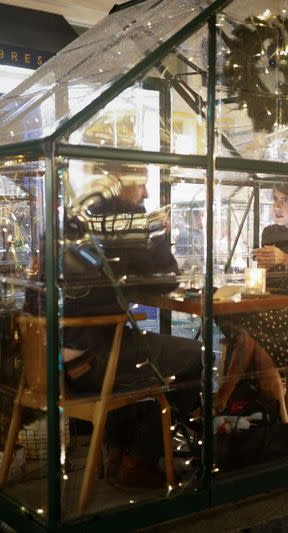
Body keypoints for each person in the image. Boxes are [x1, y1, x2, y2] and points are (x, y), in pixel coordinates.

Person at [57, 169, 202, 487]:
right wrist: (158, 234)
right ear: (121, 182)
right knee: (199, 356)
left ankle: (117, 450)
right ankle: (138, 458)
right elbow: (168, 280)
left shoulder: (75, 214)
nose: (148, 193)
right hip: (96, 362)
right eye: (142, 184)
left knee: (144, 353)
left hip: (57, 363)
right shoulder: (130, 218)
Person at [214, 184, 288, 451]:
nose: (277, 206)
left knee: (255, 333)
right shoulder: (270, 232)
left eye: (285, 200)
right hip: (274, 308)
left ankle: (223, 398)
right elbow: (266, 281)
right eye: (275, 199)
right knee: (249, 325)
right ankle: (285, 432)